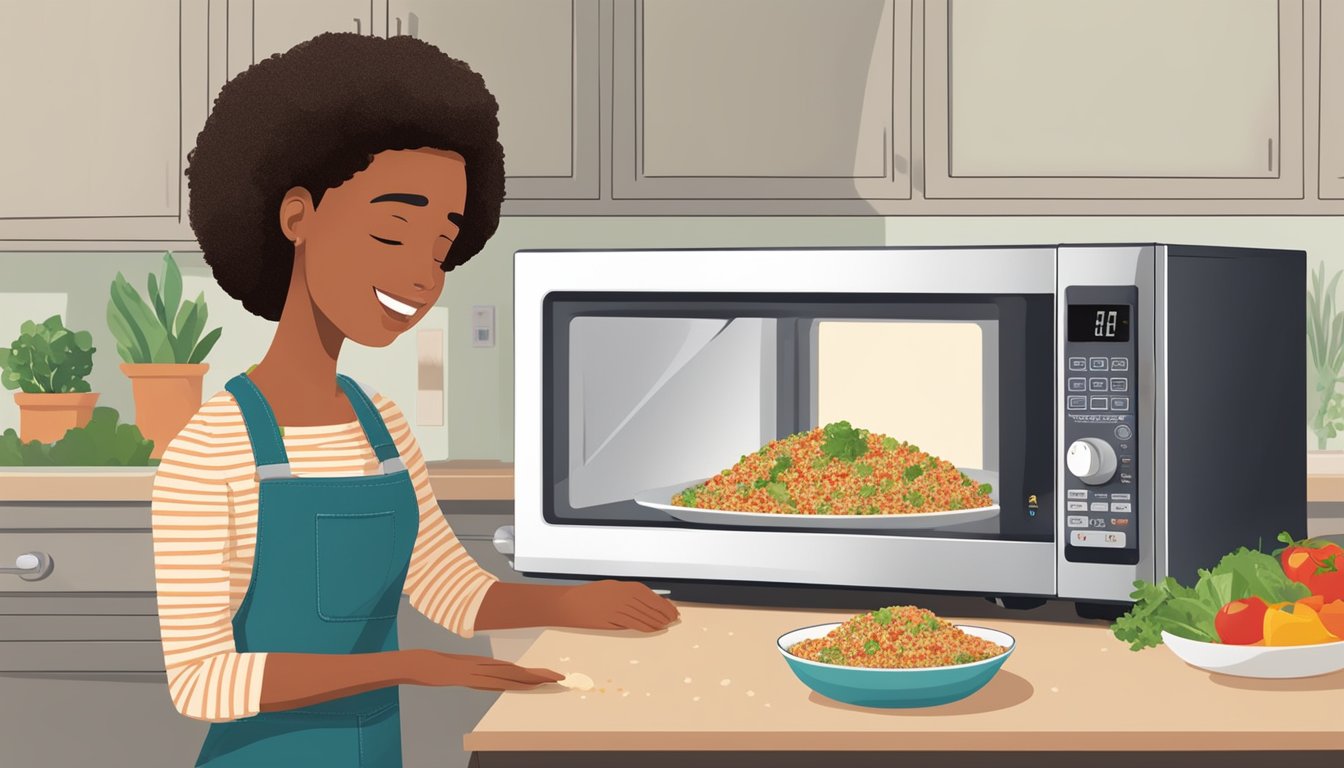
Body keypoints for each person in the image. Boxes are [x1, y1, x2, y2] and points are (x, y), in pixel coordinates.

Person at [150, 32, 677, 768]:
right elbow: (200, 683)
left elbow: (446, 589)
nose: (423, 275)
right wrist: (409, 666)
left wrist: (570, 603)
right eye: (393, 229)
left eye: (439, 246)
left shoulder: (380, 426)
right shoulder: (211, 451)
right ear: (297, 216)